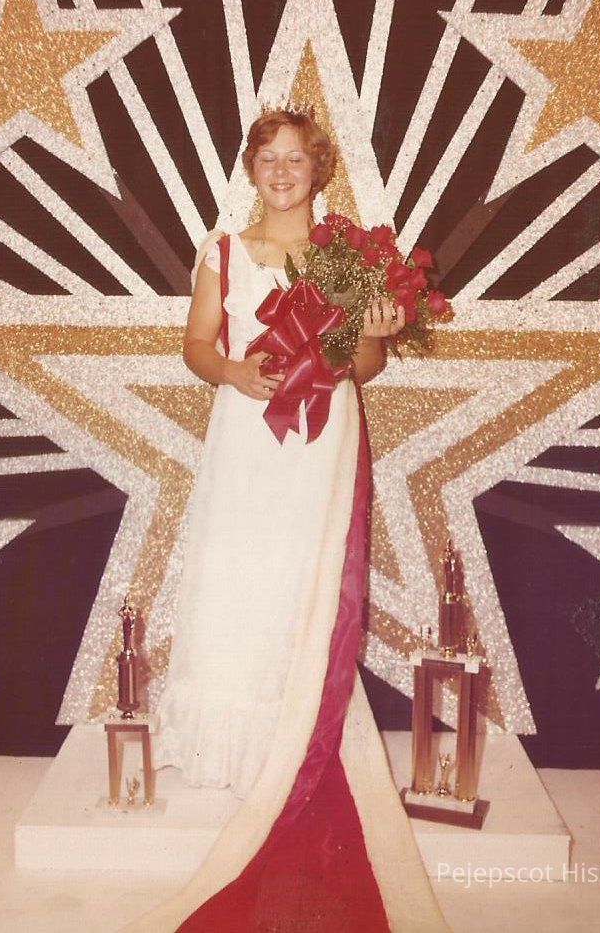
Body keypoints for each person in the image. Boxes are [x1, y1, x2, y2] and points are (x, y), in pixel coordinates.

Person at [139, 107, 450, 931]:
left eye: (295, 159)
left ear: (318, 171)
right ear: (252, 169)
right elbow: (196, 345)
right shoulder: (224, 252)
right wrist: (233, 371)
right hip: (247, 432)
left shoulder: (345, 256)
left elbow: (365, 363)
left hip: (321, 439)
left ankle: (295, 736)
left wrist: (374, 332)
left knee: (301, 581)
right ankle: (229, 745)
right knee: (237, 574)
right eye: (268, 159)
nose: (282, 172)